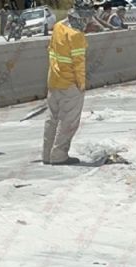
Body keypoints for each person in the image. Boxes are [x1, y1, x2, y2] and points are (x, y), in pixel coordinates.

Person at [43, 8, 88, 165]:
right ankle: (59, 156)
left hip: (53, 80)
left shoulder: (58, 27)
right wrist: (81, 85)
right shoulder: (76, 36)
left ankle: (47, 154)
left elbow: (51, 49)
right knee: (68, 121)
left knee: (52, 119)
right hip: (69, 84)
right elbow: (79, 64)